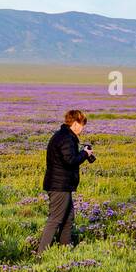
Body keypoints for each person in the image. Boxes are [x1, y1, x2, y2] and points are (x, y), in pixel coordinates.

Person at [37, 109, 96, 254]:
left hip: (61, 185)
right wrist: (84, 153)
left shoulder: (63, 136)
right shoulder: (66, 138)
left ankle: (65, 251)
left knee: (68, 219)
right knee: (55, 220)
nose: (83, 128)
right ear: (75, 123)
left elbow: (67, 158)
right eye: (82, 124)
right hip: (59, 186)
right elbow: (70, 161)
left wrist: (81, 153)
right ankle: (41, 255)